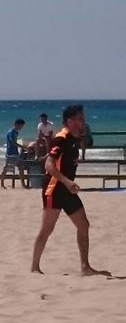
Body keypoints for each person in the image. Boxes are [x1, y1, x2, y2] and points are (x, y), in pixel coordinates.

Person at [31, 104, 109, 277]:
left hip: (67, 190)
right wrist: (66, 181)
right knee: (47, 229)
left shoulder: (75, 138)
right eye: (80, 119)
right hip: (54, 189)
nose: (83, 121)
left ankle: (85, 268)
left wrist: (69, 183)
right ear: (70, 121)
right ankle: (35, 268)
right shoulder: (61, 139)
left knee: (83, 225)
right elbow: (48, 165)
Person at [2, 118, 27, 188]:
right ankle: (2, 183)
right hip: (11, 153)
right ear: (16, 124)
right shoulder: (11, 132)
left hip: (16, 153)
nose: (21, 128)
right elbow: (13, 142)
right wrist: (22, 146)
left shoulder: (16, 132)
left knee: (21, 167)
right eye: (21, 126)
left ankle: (23, 184)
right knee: (7, 168)